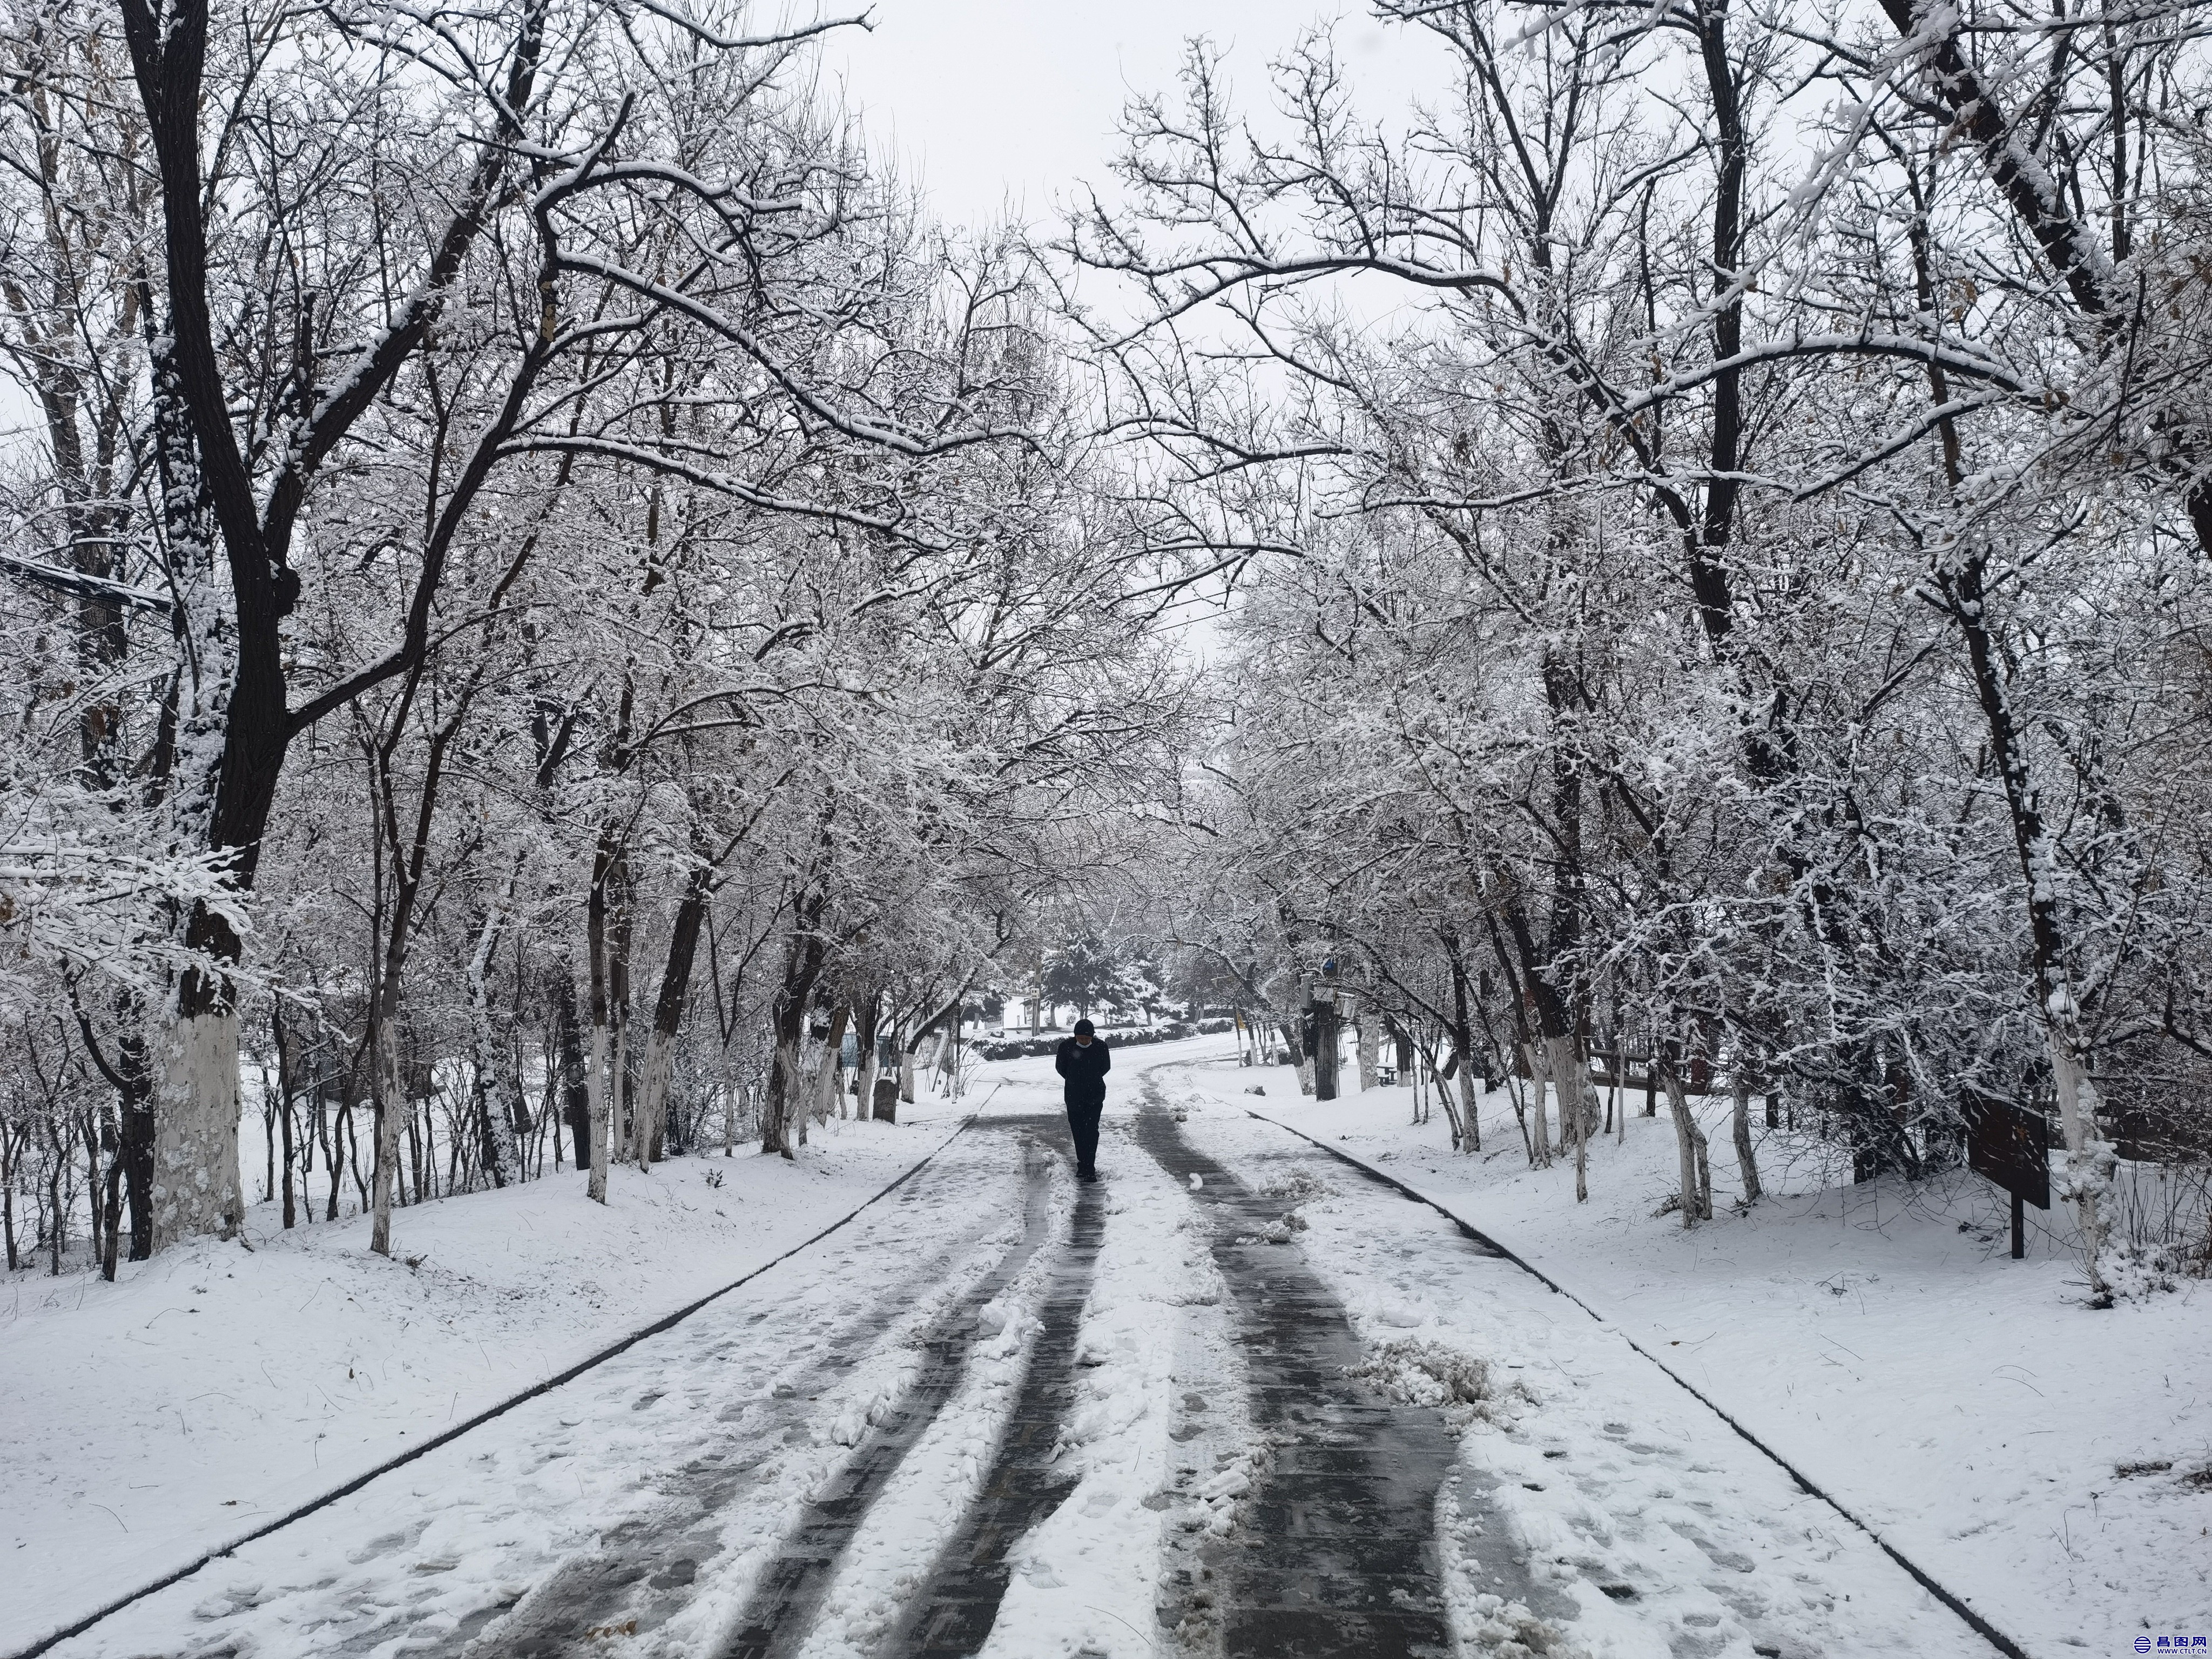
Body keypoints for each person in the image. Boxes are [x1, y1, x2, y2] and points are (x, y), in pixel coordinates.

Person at [1054, 1018, 1112, 1182]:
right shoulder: (1066, 1047)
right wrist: (1074, 1080)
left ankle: (1090, 1167)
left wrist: (1091, 1079)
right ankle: (1082, 1164)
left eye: (1087, 1038)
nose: (1084, 1041)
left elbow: (1105, 1067)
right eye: (1081, 1038)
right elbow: (1060, 1067)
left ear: (1092, 1037)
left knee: (1091, 1131)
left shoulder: (1101, 1047)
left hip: (1095, 1096)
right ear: (1075, 1037)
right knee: (1078, 1131)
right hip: (1074, 1096)